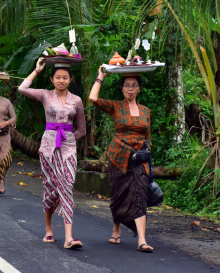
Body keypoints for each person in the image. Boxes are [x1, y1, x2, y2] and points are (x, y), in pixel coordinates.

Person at [18, 58, 86, 249]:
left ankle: (69, 238)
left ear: (70, 80)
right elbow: (22, 89)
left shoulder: (77, 100)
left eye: (65, 77)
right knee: (50, 187)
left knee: (67, 184)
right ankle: (49, 229)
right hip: (48, 147)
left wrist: (70, 139)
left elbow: (82, 128)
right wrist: (37, 70)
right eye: (58, 77)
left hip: (68, 148)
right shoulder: (45, 95)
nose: (61, 80)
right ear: (52, 79)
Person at [88, 66, 153, 252]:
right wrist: (100, 76)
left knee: (140, 194)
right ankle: (116, 228)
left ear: (139, 88)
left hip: (139, 159)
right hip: (118, 156)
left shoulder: (145, 111)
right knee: (118, 195)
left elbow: (148, 136)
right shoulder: (116, 106)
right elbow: (93, 98)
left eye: (134, 85)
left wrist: (147, 151)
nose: (130, 89)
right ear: (122, 89)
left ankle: (141, 239)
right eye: (126, 85)